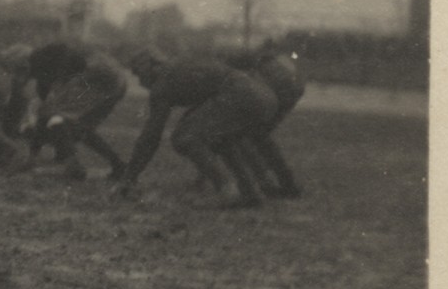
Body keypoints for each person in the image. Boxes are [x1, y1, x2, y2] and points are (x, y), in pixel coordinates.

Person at [116, 48, 278, 207]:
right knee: (221, 139)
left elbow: (150, 137)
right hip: (264, 95)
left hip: (242, 94)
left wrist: (129, 177)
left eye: (137, 72)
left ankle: (228, 190)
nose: (139, 81)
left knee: (184, 138)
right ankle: (250, 192)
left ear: (151, 66)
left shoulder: (162, 83)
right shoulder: (181, 65)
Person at [24, 40, 128, 180]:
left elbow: (47, 111)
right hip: (117, 80)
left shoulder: (53, 65)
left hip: (97, 74)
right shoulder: (59, 58)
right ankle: (118, 164)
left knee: (57, 117)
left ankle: (73, 165)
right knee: (81, 127)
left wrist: (32, 155)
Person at [225, 44, 306, 197]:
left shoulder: (241, 69)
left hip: (279, 88)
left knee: (248, 137)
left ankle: (268, 182)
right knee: (260, 138)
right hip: (293, 87)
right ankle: (286, 183)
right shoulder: (268, 59)